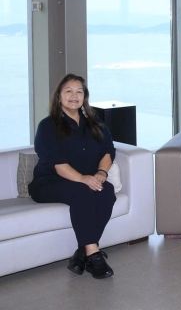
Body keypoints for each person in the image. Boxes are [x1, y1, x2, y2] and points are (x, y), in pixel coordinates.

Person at [28, 74, 117, 279]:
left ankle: (81, 253)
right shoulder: (48, 126)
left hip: (84, 180)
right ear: (59, 96)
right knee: (83, 193)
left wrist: (101, 173)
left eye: (79, 92)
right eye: (68, 91)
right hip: (49, 182)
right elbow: (59, 165)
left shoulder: (95, 123)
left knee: (107, 191)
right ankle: (93, 255)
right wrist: (85, 179)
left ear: (85, 97)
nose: (74, 96)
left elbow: (108, 151)